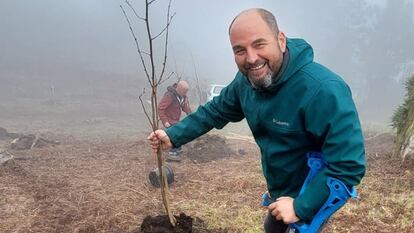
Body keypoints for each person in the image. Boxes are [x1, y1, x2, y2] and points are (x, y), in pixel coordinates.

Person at [148, 8, 366, 232]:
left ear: (280, 40)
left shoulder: (323, 90)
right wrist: (174, 135)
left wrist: (301, 207)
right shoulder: (246, 82)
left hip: (309, 194)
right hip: (278, 194)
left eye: (259, 44)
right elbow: (214, 111)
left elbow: (347, 166)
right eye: (240, 50)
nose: (251, 58)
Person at [158, 80, 192, 160]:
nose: (185, 94)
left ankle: (178, 148)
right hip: (169, 120)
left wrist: (190, 114)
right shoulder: (169, 96)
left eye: (186, 92)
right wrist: (165, 121)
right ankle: (172, 152)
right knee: (175, 134)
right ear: (179, 89)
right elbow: (160, 108)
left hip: (176, 119)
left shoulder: (182, 96)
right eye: (184, 92)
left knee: (181, 131)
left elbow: (184, 106)